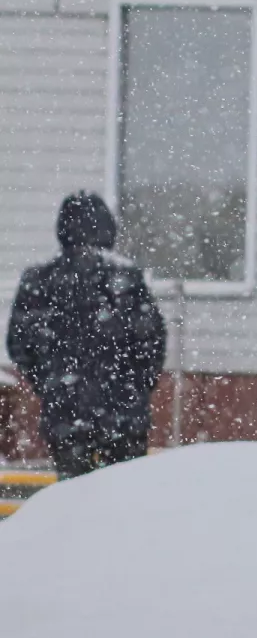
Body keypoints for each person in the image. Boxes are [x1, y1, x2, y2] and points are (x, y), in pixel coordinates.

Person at [6, 193, 166, 477]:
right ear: (108, 229)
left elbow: (19, 346)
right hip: (124, 418)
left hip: (66, 416)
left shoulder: (39, 281)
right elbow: (152, 343)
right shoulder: (127, 280)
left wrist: (51, 385)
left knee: (73, 503)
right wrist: (135, 389)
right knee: (125, 502)